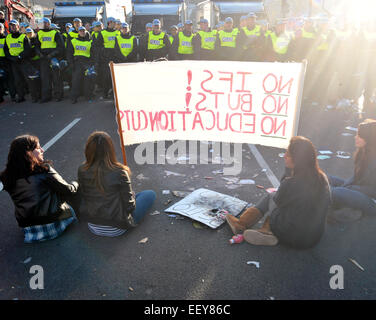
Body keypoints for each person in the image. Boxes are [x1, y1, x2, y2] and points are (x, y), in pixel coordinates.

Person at [226, 136, 331, 249]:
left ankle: (250, 226)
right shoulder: (322, 178)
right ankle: (263, 229)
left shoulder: (291, 183)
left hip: (292, 236)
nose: (284, 156)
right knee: (288, 204)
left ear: (298, 160)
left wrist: (288, 171)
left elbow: (278, 201)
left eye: (288, 154)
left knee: (272, 196)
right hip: (313, 238)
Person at [0, 135, 79, 243]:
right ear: (28, 153)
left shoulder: (6, 176)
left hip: (28, 228)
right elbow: (68, 190)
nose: (42, 150)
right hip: (52, 224)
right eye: (38, 148)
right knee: (73, 192)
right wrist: (76, 183)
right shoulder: (43, 170)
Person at [78, 131, 156, 237]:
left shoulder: (82, 169)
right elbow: (130, 207)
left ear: (88, 150)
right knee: (150, 194)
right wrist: (132, 197)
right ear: (110, 150)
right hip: (117, 227)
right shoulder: (119, 171)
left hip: (93, 225)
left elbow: (85, 196)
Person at [329, 120, 376, 217]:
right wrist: (347, 186)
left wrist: (349, 188)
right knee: (326, 178)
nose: (356, 137)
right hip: (359, 190)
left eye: (359, 135)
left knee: (335, 192)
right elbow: (355, 178)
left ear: (368, 138)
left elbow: (373, 190)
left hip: (372, 200)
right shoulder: (363, 153)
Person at [4, 19, 36, 103]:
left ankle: (34, 96)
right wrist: (12, 58)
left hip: (23, 61)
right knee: (17, 81)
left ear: (18, 27)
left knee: (29, 79)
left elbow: (27, 49)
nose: (13, 27)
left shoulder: (23, 37)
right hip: (14, 62)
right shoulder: (8, 37)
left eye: (14, 26)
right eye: (11, 26)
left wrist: (19, 56)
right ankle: (21, 97)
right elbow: (6, 51)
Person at [36, 17, 65, 102]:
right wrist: (39, 54)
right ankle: (46, 97)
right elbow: (36, 46)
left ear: (49, 24)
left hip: (54, 58)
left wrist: (52, 54)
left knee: (56, 77)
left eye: (46, 23)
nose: (44, 25)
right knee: (45, 78)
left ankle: (58, 95)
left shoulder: (55, 33)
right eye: (43, 23)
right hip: (43, 58)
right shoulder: (39, 33)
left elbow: (61, 47)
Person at [67, 26, 95, 104]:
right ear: (78, 32)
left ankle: (88, 97)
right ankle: (74, 98)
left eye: (83, 31)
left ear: (86, 32)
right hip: (77, 63)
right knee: (76, 81)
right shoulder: (73, 41)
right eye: (80, 31)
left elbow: (93, 54)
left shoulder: (90, 41)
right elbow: (69, 53)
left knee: (88, 81)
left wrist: (92, 64)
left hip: (87, 63)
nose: (82, 32)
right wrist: (71, 64)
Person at [93, 17, 118, 99]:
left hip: (116, 56)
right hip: (106, 56)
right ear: (109, 23)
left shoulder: (117, 32)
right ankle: (105, 93)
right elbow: (98, 46)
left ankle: (114, 93)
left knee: (115, 76)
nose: (115, 24)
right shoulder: (102, 32)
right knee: (106, 76)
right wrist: (103, 53)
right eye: (113, 22)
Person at [0, 22, 16, 103]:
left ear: (3, 29)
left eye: (0, 28)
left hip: (6, 61)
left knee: (10, 79)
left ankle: (13, 95)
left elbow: (9, 49)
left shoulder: (7, 38)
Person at [25, 27, 41, 103]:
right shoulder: (25, 41)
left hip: (38, 62)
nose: (29, 34)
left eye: (30, 33)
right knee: (31, 81)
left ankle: (40, 95)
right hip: (29, 63)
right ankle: (34, 97)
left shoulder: (37, 40)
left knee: (39, 79)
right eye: (27, 33)